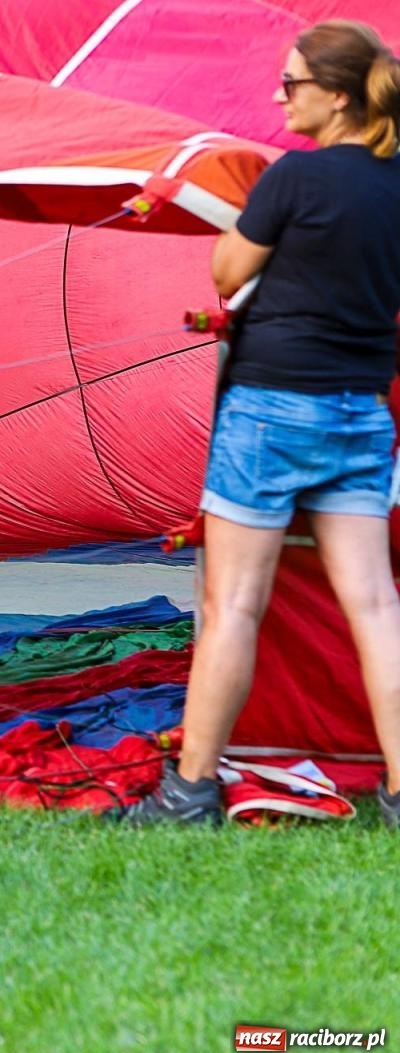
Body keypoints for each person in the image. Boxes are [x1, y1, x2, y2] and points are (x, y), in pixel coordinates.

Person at [120, 20, 400, 825]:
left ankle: (188, 792)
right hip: (362, 413)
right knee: (376, 607)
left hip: (271, 408)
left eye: (291, 83)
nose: (279, 98)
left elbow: (226, 270)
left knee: (234, 605)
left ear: (337, 96)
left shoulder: (293, 178)